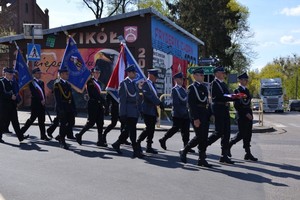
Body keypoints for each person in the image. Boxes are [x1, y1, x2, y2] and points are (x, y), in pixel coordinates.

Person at [207, 67, 241, 164]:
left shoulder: (223, 83)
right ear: (216, 74)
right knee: (219, 131)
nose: (223, 74)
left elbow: (227, 95)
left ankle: (224, 155)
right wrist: (232, 97)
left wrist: (235, 97)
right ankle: (204, 144)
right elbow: (219, 96)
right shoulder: (214, 83)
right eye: (222, 73)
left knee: (226, 132)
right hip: (218, 108)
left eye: (224, 73)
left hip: (224, 108)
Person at [179, 68, 212, 167]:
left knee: (204, 137)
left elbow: (207, 102)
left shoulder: (204, 87)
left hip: (204, 113)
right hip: (196, 113)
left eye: (203, 75)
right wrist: (195, 118)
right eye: (200, 75)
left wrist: (210, 114)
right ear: (195, 76)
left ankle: (202, 159)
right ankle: (184, 151)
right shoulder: (192, 88)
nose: (202, 76)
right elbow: (191, 104)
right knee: (199, 136)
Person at [111, 65, 144, 158]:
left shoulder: (134, 83)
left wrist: (140, 110)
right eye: (133, 72)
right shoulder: (124, 84)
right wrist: (122, 114)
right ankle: (136, 150)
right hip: (128, 112)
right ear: (129, 73)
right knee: (132, 131)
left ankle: (117, 144)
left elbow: (137, 98)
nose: (135, 74)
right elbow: (122, 100)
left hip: (134, 111)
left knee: (128, 130)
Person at [159, 72, 194, 152]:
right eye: (181, 79)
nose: (182, 80)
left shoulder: (183, 89)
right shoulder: (175, 90)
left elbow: (186, 101)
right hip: (178, 113)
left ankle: (186, 146)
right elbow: (176, 103)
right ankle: (163, 139)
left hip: (185, 113)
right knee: (175, 128)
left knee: (186, 130)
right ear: (176, 80)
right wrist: (182, 112)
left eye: (183, 79)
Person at [228, 72, 258, 161]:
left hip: (249, 113)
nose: (246, 81)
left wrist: (250, 114)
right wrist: (246, 114)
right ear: (240, 80)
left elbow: (248, 102)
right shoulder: (237, 91)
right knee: (241, 134)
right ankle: (229, 144)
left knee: (248, 134)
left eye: (246, 80)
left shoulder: (247, 90)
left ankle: (248, 153)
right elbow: (237, 105)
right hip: (242, 115)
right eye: (244, 80)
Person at [75, 67, 106, 147]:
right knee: (91, 122)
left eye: (99, 73)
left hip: (98, 104)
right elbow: (94, 93)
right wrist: (103, 101)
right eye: (96, 73)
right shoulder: (90, 82)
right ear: (92, 73)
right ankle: (79, 134)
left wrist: (102, 102)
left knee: (100, 123)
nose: (97, 74)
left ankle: (100, 140)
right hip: (93, 104)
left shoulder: (97, 82)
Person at [137, 68, 164, 154]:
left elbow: (155, 95)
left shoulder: (152, 84)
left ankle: (149, 146)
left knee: (152, 129)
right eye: (155, 76)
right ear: (151, 76)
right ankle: (138, 141)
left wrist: (159, 103)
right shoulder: (146, 84)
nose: (156, 78)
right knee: (149, 128)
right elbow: (149, 96)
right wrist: (159, 103)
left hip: (152, 109)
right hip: (147, 109)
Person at [20, 67, 51, 141]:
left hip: (42, 104)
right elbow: (34, 93)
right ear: (34, 74)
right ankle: (21, 132)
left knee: (42, 120)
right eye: (38, 73)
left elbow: (42, 92)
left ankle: (43, 135)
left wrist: (44, 100)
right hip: (35, 104)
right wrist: (40, 100)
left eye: (40, 73)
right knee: (32, 119)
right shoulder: (32, 83)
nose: (39, 74)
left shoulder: (41, 82)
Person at [0, 67, 29, 143]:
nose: (11, 75)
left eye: (12, 74)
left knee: (15, 122)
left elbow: (16, 92)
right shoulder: (1, 82)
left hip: (12, 106)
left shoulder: (13, 82)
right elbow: (1, 94)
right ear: (5, 74)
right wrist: (10, 96)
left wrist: (18, 100)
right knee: (2, 122)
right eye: (9, 74)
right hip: (4, 106)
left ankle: (20, 137)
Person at [53, 67, 76, 149]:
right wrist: (60, 109)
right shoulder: (57, 84)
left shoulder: (68, 84)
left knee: (71, 123)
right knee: (63, 125)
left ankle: (60, 136)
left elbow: (71, 97)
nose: (68, 75)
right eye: (66, 74)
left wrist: (74, 108)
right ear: (61, 74)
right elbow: (57, 98)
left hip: (69, 107)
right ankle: (62, 141)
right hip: (62, 107)